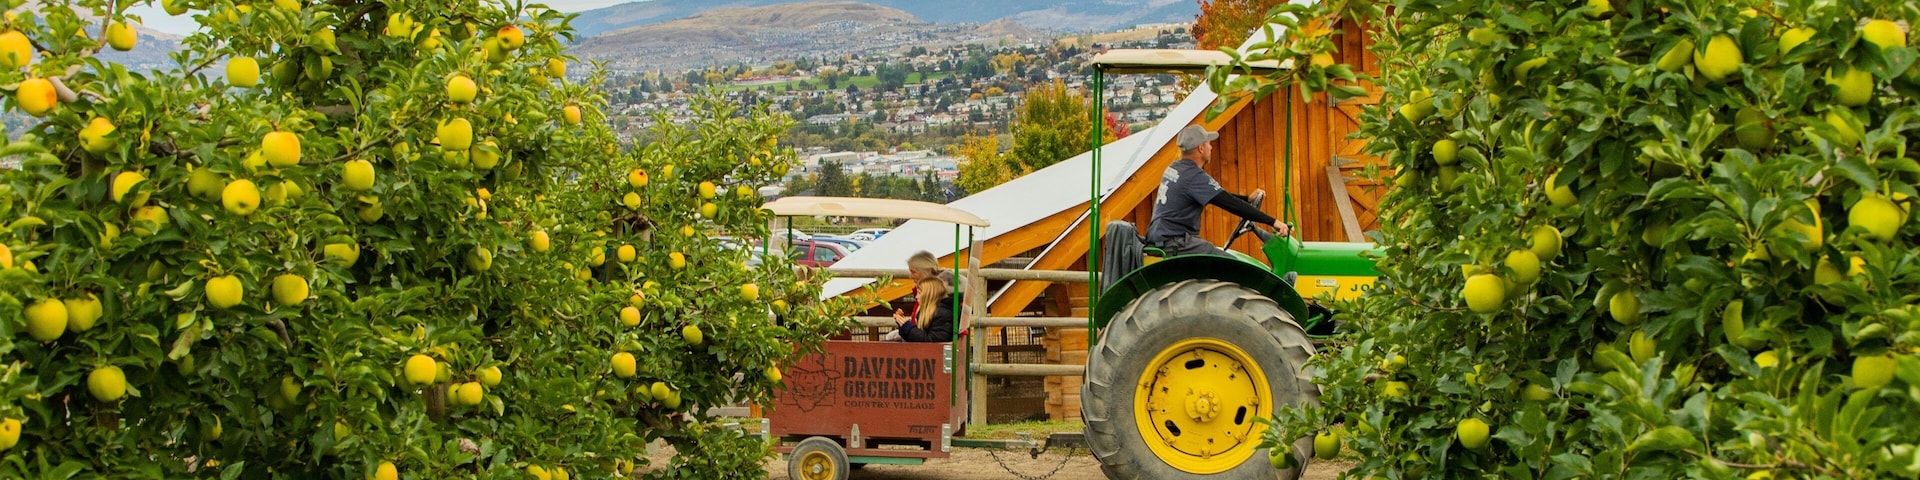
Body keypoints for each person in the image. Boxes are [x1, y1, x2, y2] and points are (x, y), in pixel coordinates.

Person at [1144, 125, 1292, 257]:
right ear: (1200, 149)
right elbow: (1230, 204)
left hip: (1163, 239)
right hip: (1176, 242)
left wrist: (1247, 199)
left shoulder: (1175, 168)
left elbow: (1219, 197)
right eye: (1208, 143)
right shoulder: (1194, 176)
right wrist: (1274, 222)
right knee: (1232, 265)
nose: (1211, 147)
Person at [884, 277, 956, 342]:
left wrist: (908, 328)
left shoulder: (942, 314)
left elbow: (931, 341)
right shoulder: (928, 312)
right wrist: (903, 326)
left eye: (919, 293)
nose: (916, 296)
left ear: (928, 295)